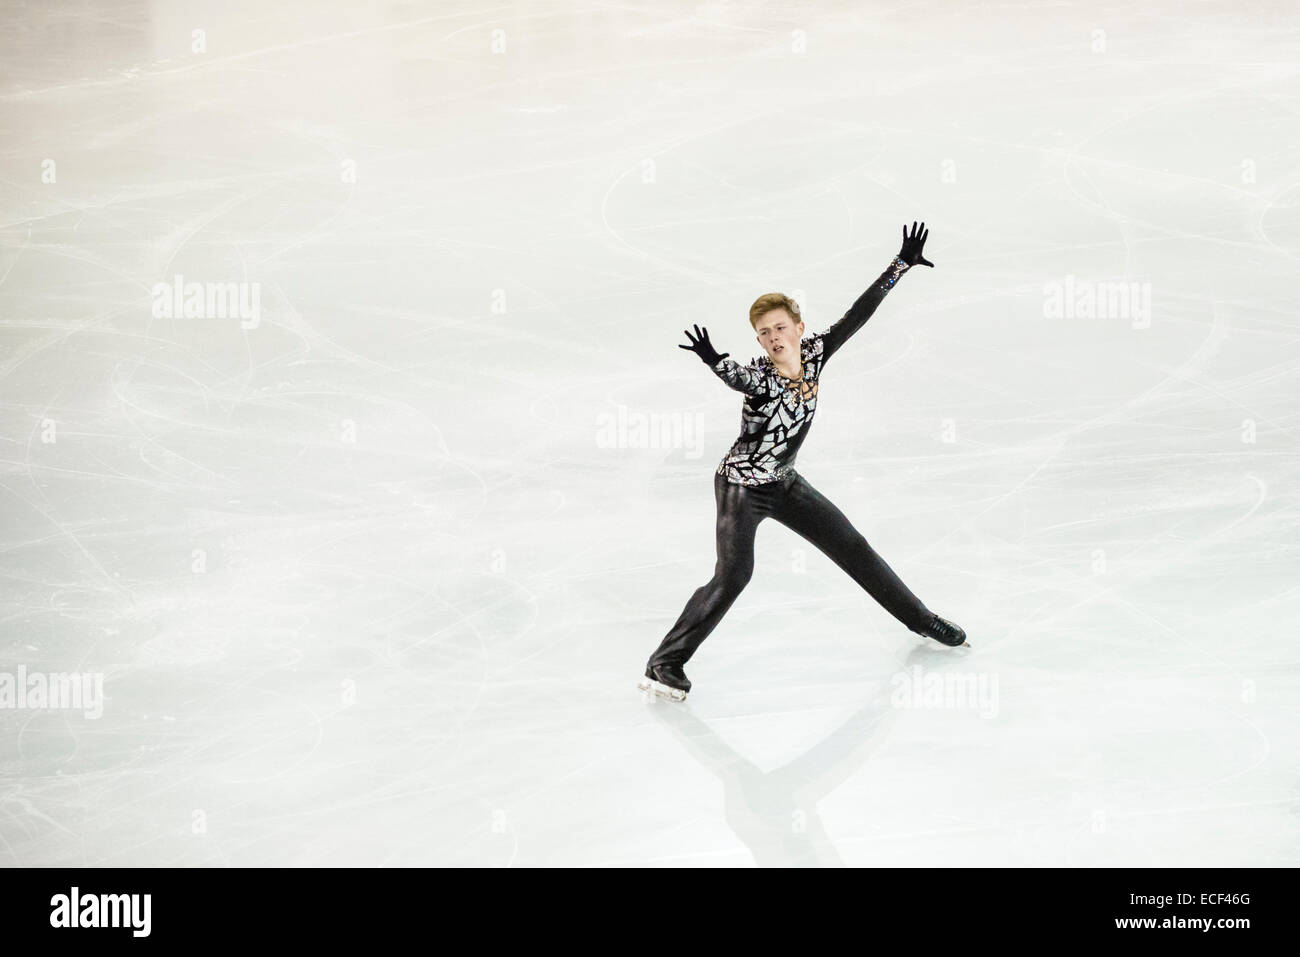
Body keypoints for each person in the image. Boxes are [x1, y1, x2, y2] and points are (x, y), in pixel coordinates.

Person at [639, 222, 968, 702]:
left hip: (786, 483)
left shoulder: (815, 354)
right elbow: (738, 378)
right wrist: (714, 360)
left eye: (779, 327)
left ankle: (921, 619)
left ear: (798, 328)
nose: (773, 337)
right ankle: (665, 662)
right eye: (763, 332)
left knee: (852, 546)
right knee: (733, 576)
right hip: (741, 488)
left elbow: (858, 315)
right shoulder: (760, 377)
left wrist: (899, 265)